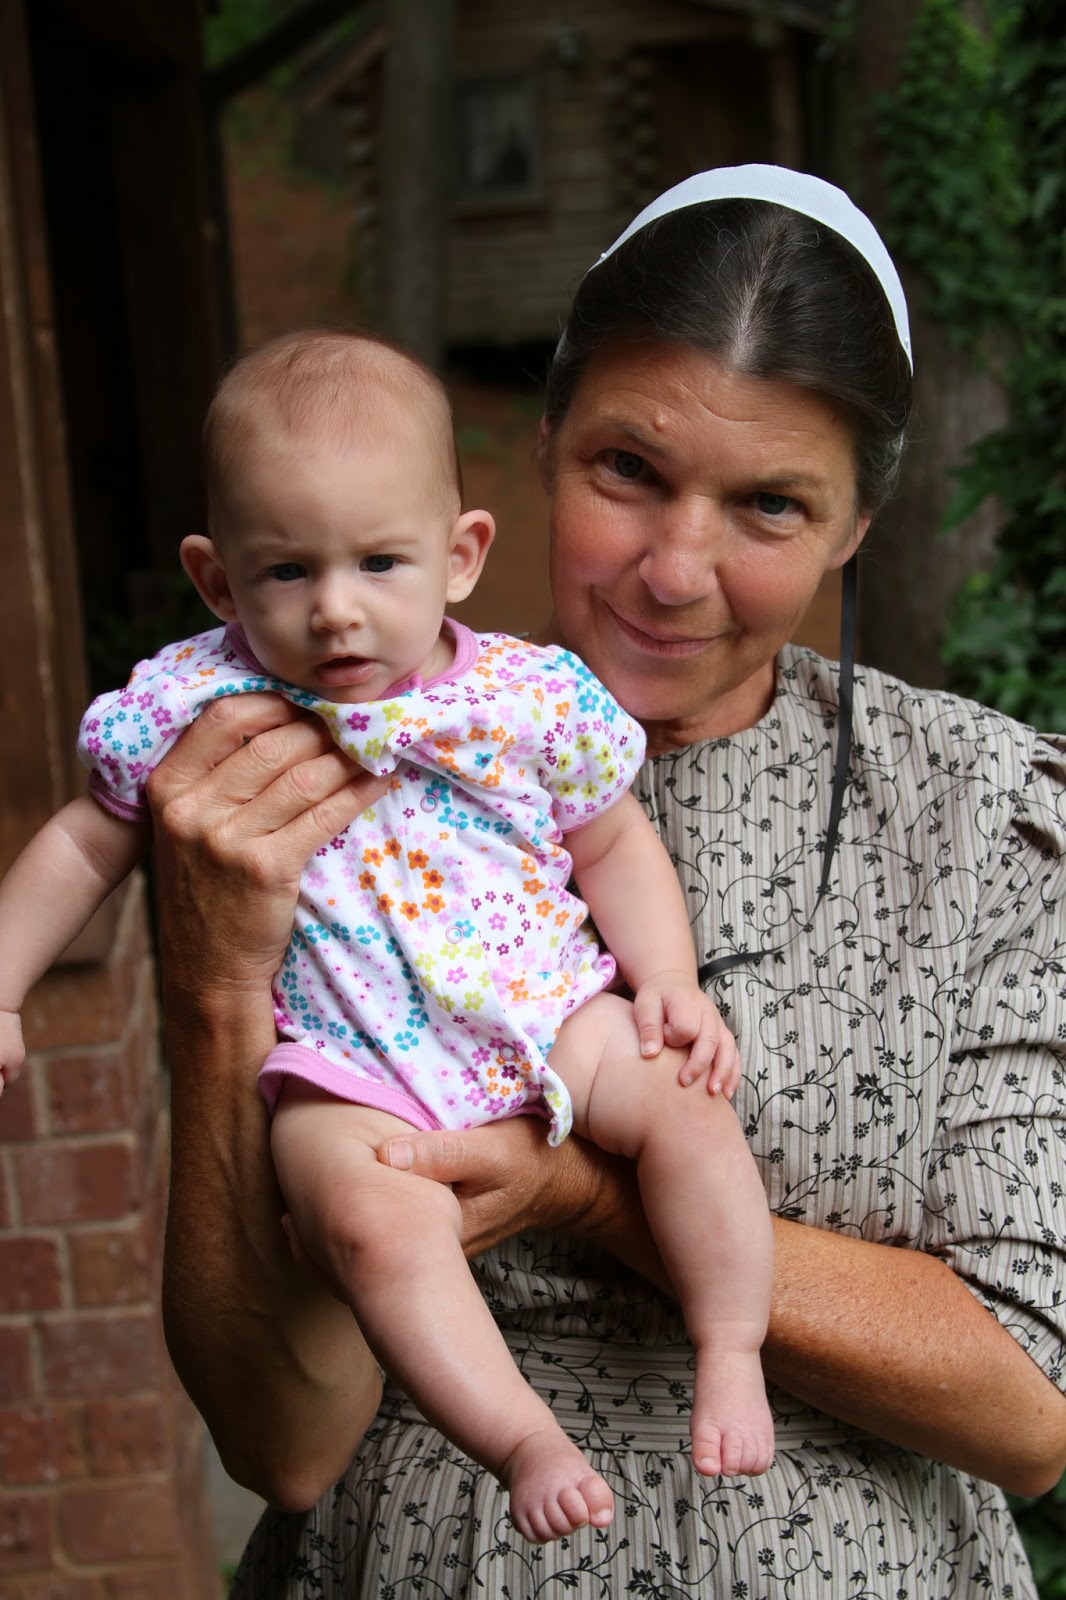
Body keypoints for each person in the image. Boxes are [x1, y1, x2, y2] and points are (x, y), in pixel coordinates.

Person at [149, 167, 1066, 1597]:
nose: (673, 570)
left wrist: (587, 1194)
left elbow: (1027, 1410)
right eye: (626, 469)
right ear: (541, 448)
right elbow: (289, 1444)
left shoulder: (982, 816)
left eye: (771, 505)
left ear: (856, 526)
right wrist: (214, 991)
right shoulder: (282, 768)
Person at [0, 329, 776, 1543]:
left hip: (547, 1006)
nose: (337, 610)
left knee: (686, 1104)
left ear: (460, 556)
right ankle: (519, 1436)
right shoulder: (195, 704)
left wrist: (666, 979)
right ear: (217, 580)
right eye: (286, 571)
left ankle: (729, 1343)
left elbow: (612, 841)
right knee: (370, 1222)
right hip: (347, 1063)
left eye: (378, 562)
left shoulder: (524, 696)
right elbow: (81, 847)